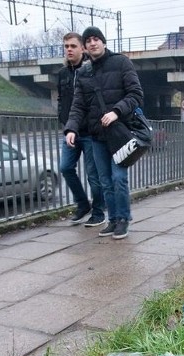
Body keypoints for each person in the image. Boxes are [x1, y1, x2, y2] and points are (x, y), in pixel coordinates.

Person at [64, 27, 144, 240]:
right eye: (88, 40)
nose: (92, 43)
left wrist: (116, 112)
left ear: (104, 42)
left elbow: (136, 94)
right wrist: (71, 128)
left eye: (96, 39)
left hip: (119, 133)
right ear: (85, 46)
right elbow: (78, 105)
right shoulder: (84, 72)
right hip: (97, 135)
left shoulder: (121, 63)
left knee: (118, 178)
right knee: (105, 181)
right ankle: (113, 220)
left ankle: (124, 219)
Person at [57, 32, 105, 227]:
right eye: (66, 46)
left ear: (82, 49)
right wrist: (64, 121)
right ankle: (82, 204)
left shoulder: (90, 70)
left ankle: (99, 211)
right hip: (71, 131)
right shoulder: (62, 73)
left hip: (89, 132)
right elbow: (62, 100)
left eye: (73, 46)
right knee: (65, 167)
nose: (69, 49)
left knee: (94, 175)